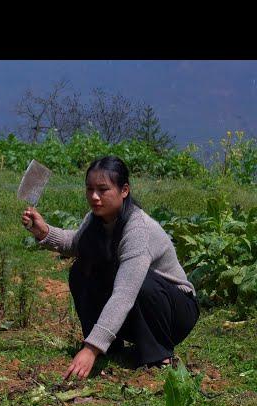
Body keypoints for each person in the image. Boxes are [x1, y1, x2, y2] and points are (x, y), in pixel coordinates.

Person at [21, 156, 199, 381]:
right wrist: (43, 231)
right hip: (142, 306)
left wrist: (91, 348)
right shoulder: (96, 218)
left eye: (103, 190)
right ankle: (111, 346)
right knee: (81, 270)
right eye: (90, 189)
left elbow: (125, 294)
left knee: (140, 283)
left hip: (175, 311)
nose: (94, 197)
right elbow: (76, 244)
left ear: (124, 190)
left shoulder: (137, 230)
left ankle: (158, 354)